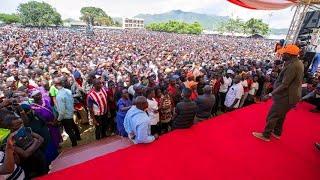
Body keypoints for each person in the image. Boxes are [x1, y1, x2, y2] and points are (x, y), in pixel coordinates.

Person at [253, 44, 304, 141]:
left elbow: (285, 85)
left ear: (290, 55)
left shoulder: (293, 66)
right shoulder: (296, 62)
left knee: (273, 115)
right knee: (281, 115)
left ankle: (266, 135)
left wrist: (270, 94)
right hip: (290, 95)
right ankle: (277, 132)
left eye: (284, 54)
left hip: (286, 96)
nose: (282, 55)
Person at [54, 78, 81, 147]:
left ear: (55, 85)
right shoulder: (68, 91)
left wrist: (58, 119)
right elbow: (72, 101)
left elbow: (62, 111)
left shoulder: (59, 96)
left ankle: (74, 143)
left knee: (69, 130)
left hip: (65, 116)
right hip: (70, 112)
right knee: (73, 125)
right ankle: (78, 137)